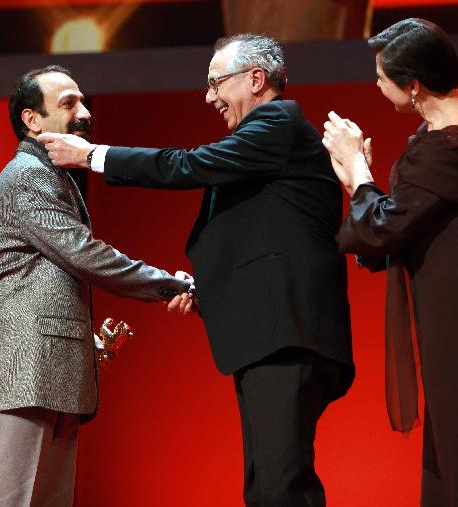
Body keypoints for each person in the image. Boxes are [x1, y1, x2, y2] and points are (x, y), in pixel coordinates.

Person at [38, 34, 354, 506]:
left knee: (282, 486)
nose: (209, 97)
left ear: (255, 79)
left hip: (288, 333)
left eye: (215, 83)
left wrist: (90, 155)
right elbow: (263, 237)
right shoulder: (264, 142)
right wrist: (209, 290)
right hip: (273, 334)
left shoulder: (276, 123)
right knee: (267, 486)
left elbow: (187, 166)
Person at [323, 18, 458, 507]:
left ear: (413, 85)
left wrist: (357, 170)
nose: (376, 84)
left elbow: (382, 229)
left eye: (382, 77)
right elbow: (403, 221)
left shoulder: (443, 149)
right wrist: (362, 186)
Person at [0, 65, 194, 507]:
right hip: (24, 370)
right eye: (69, 104)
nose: (84, 113)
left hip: (52, 371)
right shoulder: (27, 177)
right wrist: (168, 284)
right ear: (32, 121)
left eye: (83, 101)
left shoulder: (54, 178)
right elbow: (86, 255)